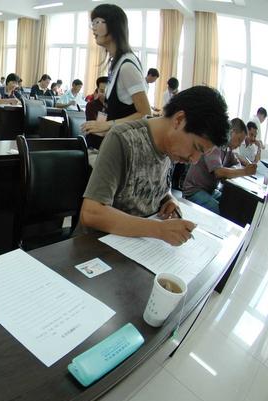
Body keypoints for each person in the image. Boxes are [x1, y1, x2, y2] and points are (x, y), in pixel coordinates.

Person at [80, 86, 230, 246]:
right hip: (102, 247)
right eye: (197, 148)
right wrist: (159, 229)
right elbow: (91, 213)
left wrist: (171, 200)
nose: (194, 160)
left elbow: (158, 189)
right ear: (179, 120)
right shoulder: (123, 139)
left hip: (140, 247)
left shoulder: (172, 151)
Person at [82, 4, 152, 136]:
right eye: (92, 23)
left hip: (126, 145)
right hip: (114, 139)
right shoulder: (117, 63)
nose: (93, 28)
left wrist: (107, 124)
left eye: (97, 22)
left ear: (114, 26)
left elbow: (145, 113)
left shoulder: (127, 66)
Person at [182, 118, 257, 214]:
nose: (238, 145)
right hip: (194, 190)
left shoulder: (228, 149)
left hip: (210, 190)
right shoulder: (215, 143)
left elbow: (237, 164)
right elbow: (219, 172)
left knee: (229, 202)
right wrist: (245, 172)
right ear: (232, 132)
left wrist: (231, 170)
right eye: (239, 140)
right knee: (218, 209)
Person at [85, 76, 109, 149]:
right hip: (94, 146)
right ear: (97, 90)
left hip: (110, 144)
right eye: (102, 91)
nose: (104, 94)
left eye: (107, 91)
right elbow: (93, 129)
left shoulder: (115, 107)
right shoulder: (91, 105)